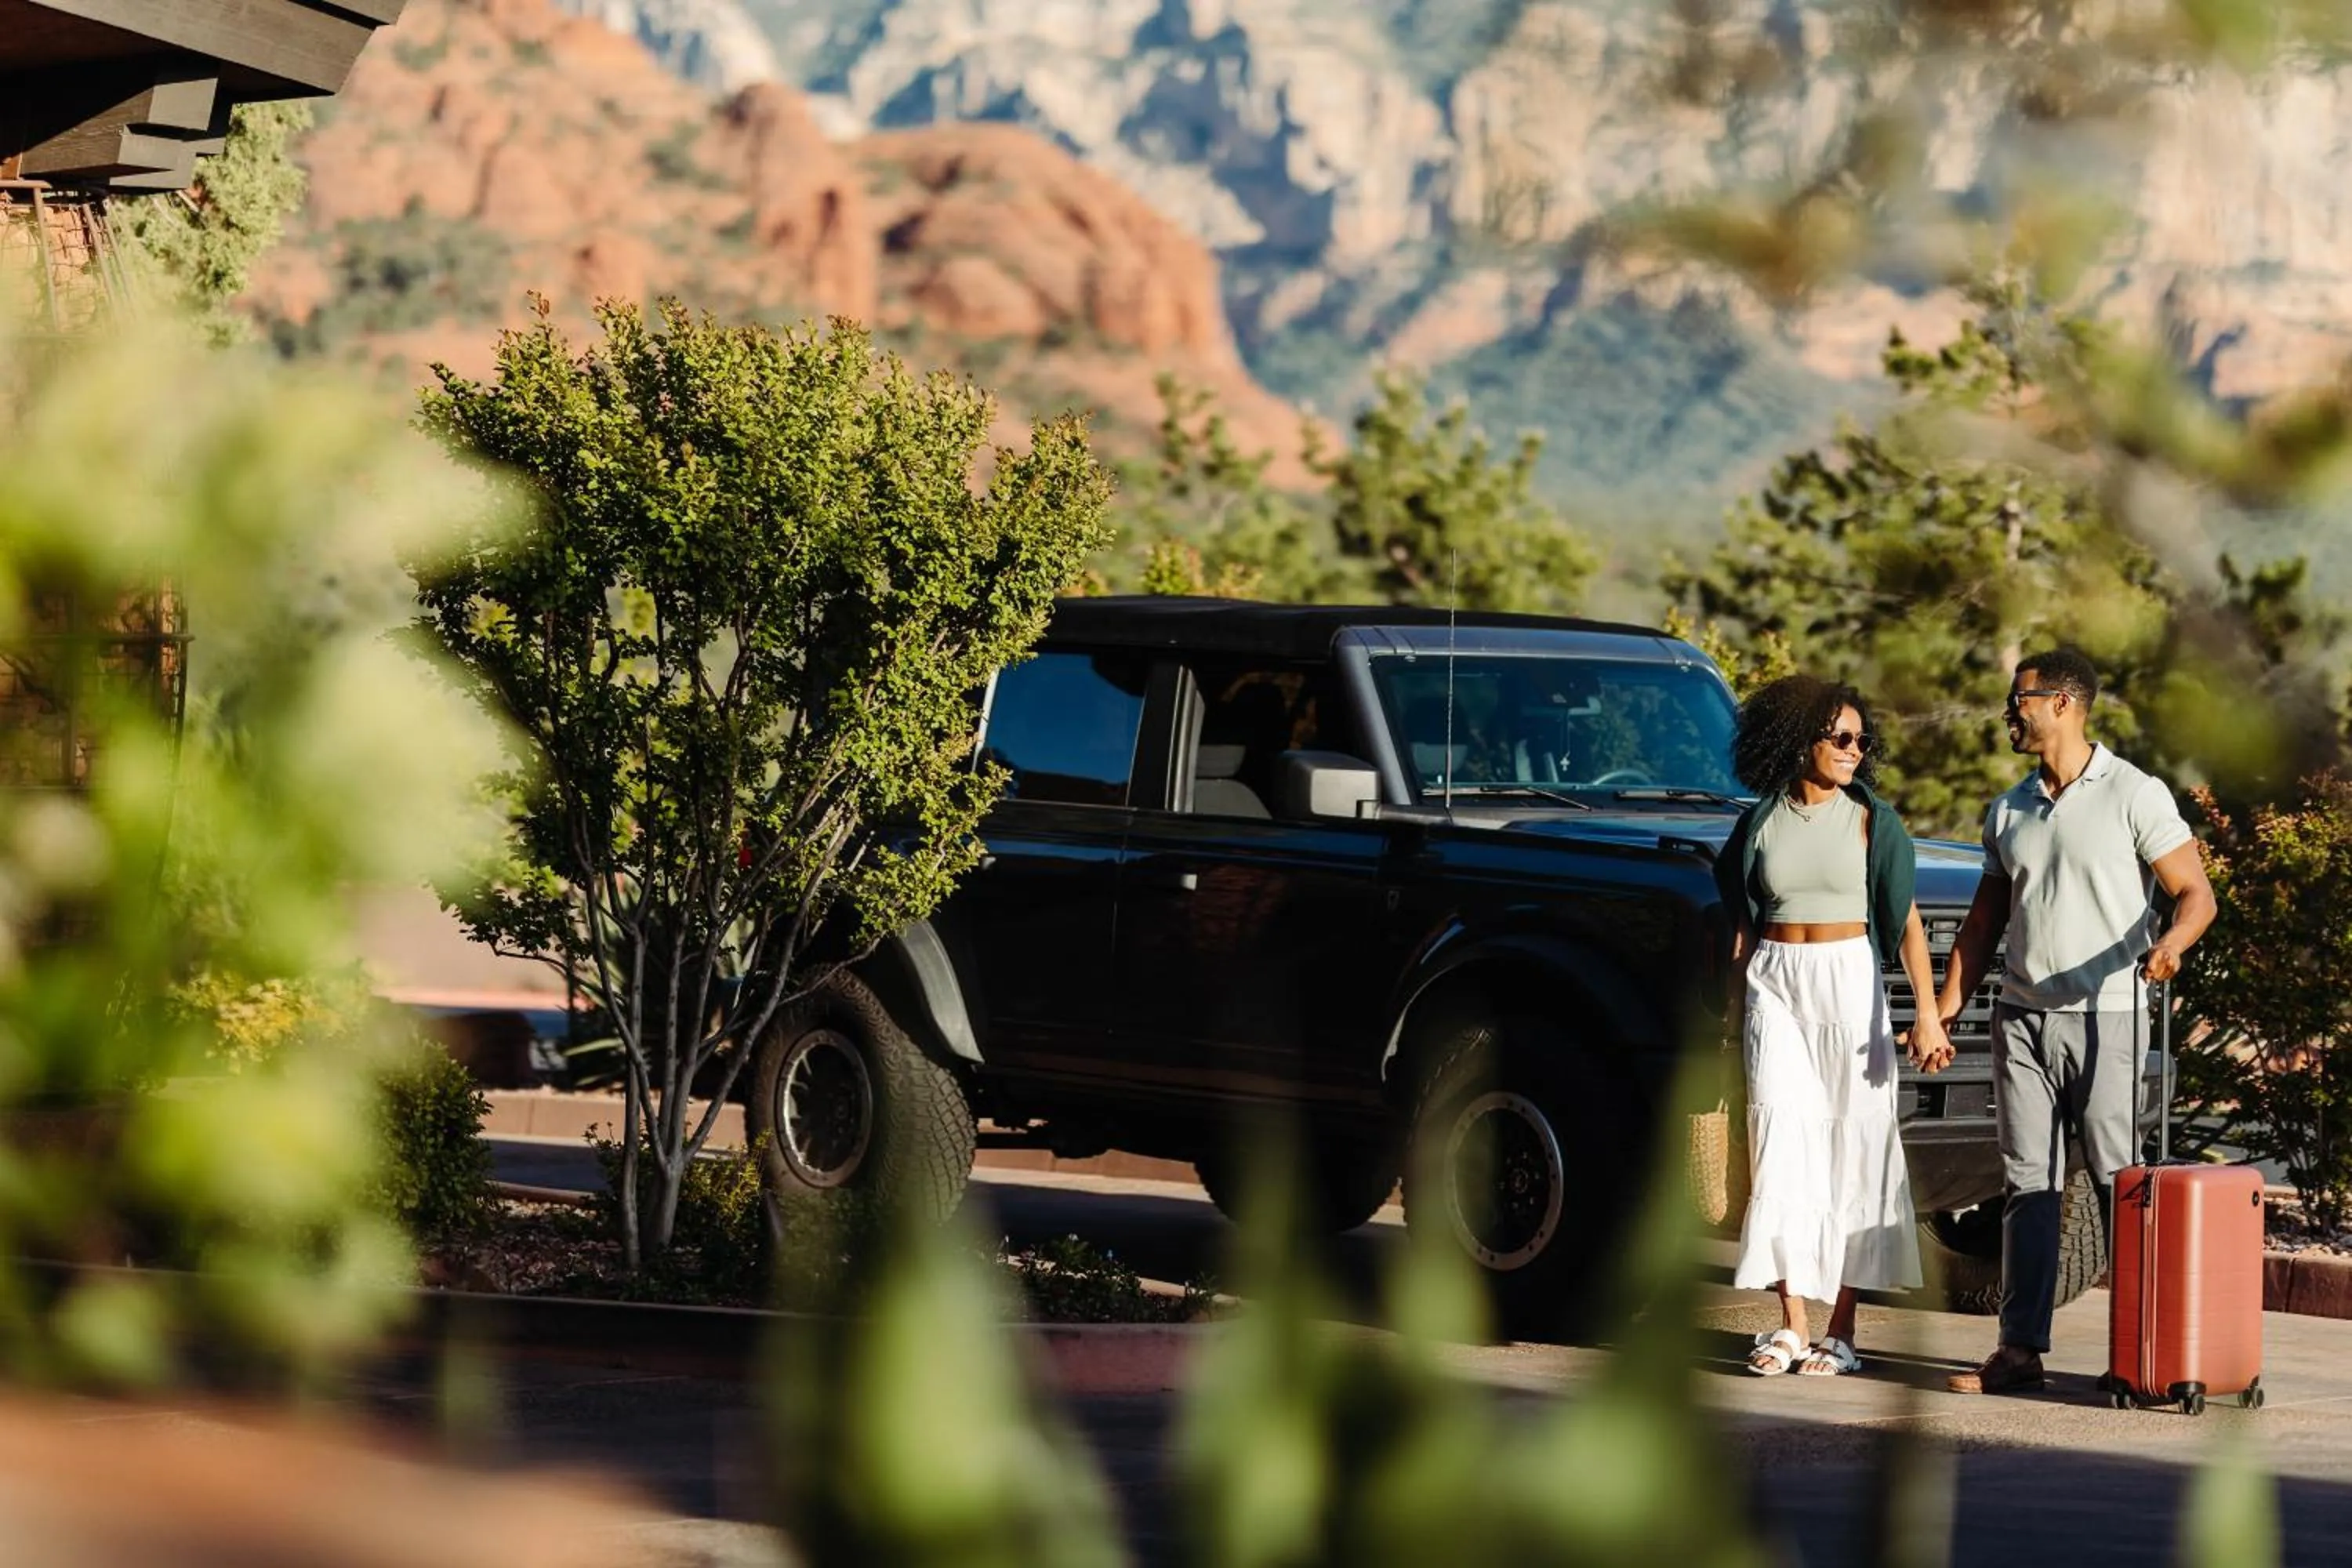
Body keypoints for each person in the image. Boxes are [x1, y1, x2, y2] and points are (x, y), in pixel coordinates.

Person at [1937, 649, 2217, 1396]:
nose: (2010, 710)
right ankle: (2019, 1350)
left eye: (2019, 698)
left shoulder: (2134, 793)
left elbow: (2196, 894)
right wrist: (1944, 1011)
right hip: (2022, 1022)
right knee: (2028, 1185)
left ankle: (2145, 1353)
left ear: (2062, 703)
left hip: (2109, 1021)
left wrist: (2170, 944)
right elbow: (1982, 923)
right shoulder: (2009, 809)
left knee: (2118, 1187)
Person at [1715, 675, 1951, 1377]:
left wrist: (1929, 1014)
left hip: (1849, 981)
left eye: (1860, 739)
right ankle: (1790, 1324)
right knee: (1781, 1146)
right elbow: (1741, 925)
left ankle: (1841, 1332)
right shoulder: (1759, 823)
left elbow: (1906, 923)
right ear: (1800, 741)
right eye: (1840, 737)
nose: (1854, 750)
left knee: (1855, 1146)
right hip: (1775, 982)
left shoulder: (1873, 821)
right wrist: (1731, 1010)